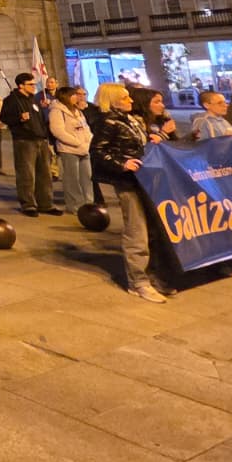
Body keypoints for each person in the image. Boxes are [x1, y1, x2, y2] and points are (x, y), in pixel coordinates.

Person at [90, 82, 176, 304]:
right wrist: (122, 164)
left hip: (146, 179)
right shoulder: (107, 122)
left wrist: (156, 138)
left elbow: (140, 145)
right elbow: (98, 151)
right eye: (125, 98)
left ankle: (153, 275)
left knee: (152, 229)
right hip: (128, 182)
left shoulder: (132, 120)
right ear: (113, 100)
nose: (130, 100)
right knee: (136, 231)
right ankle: (138, 281)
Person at [2, 71, 57, 216]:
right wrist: (19, 118)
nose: (34, 87)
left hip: (41, 139)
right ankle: (28, 204)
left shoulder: (34, 99)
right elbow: (4, 118)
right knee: (26, 174)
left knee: (45, 174)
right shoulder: (12, 100)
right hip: (24, 140)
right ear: (21, 85)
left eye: (34, 84)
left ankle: (46, 203)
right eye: (30, 84)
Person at [49, 85, 94, 213]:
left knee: (87, 178)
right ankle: (75, 205)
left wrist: (88, 141)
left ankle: (89, 203)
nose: (77, 97)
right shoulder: (57, 111)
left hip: (84, 149)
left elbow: (85, 128)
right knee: (72, 179)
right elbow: (57, 131)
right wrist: (76, 142)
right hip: (69, 149)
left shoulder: (78, 111)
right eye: (74, 95)